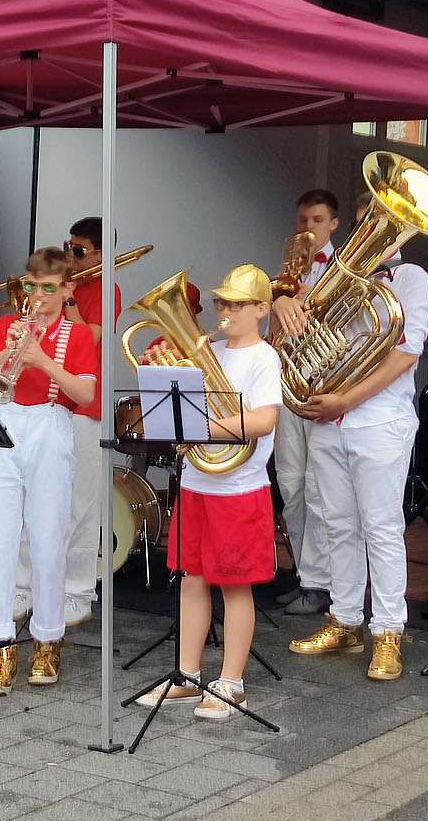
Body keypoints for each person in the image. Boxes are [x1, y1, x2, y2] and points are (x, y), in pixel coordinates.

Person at [288, 195, 428, 680]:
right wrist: (289, 301)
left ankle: (389, 631)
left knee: (382, 527)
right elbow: (306, 338)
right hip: (329, 420)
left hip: (379, 422)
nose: (366, 230)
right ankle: (346, 620)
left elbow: (405, 353)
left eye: (378, 223)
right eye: (363, 221)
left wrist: (345, 401)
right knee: (338, 525)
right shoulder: (337, 278)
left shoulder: (412, 279)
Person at [135, 265, 281, 719]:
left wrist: (202, 428)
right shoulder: (207, 350)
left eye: (238, 304)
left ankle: (232, 683)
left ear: (261, 309)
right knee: (192, 580)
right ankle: (189, 677)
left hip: (238, 487)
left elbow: (263, 420)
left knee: (235, 587)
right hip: (198, 483)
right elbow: (178, 410)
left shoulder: (263, 357)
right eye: (222, 303)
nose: (226, 311)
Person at [0, 247, 99, 696]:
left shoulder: (78, 336)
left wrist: (42, 360)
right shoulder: (7, 326)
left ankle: (48, 639)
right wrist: (3, 354)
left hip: (51, 423)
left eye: (49, 288)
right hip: (6, 421)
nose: (39, 296)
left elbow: (84, 394)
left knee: (48, 538)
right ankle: (0, 643)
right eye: (32, 286)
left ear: (68, 289)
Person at [14, 216, 122, 629]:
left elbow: (86, 340)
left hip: (83, 408)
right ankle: (23, 587)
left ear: (99, 255)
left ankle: (78, 592)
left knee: (81, 506)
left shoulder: (105, 288)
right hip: (42, 406)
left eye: (79, 251)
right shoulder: (54, 286)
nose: (72, 255)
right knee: (31, 501)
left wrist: (69, 297)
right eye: (69, 247)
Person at [267, 188, 341, 615]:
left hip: (322, 386)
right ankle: (304, 575)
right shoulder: (287, 272)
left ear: (332, 223)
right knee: (291, 483)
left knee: (318, 488)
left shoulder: (343, 266)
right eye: (302, 220)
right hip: (287, 383)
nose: (307, 228)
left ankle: (325, 583)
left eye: (316, 220)